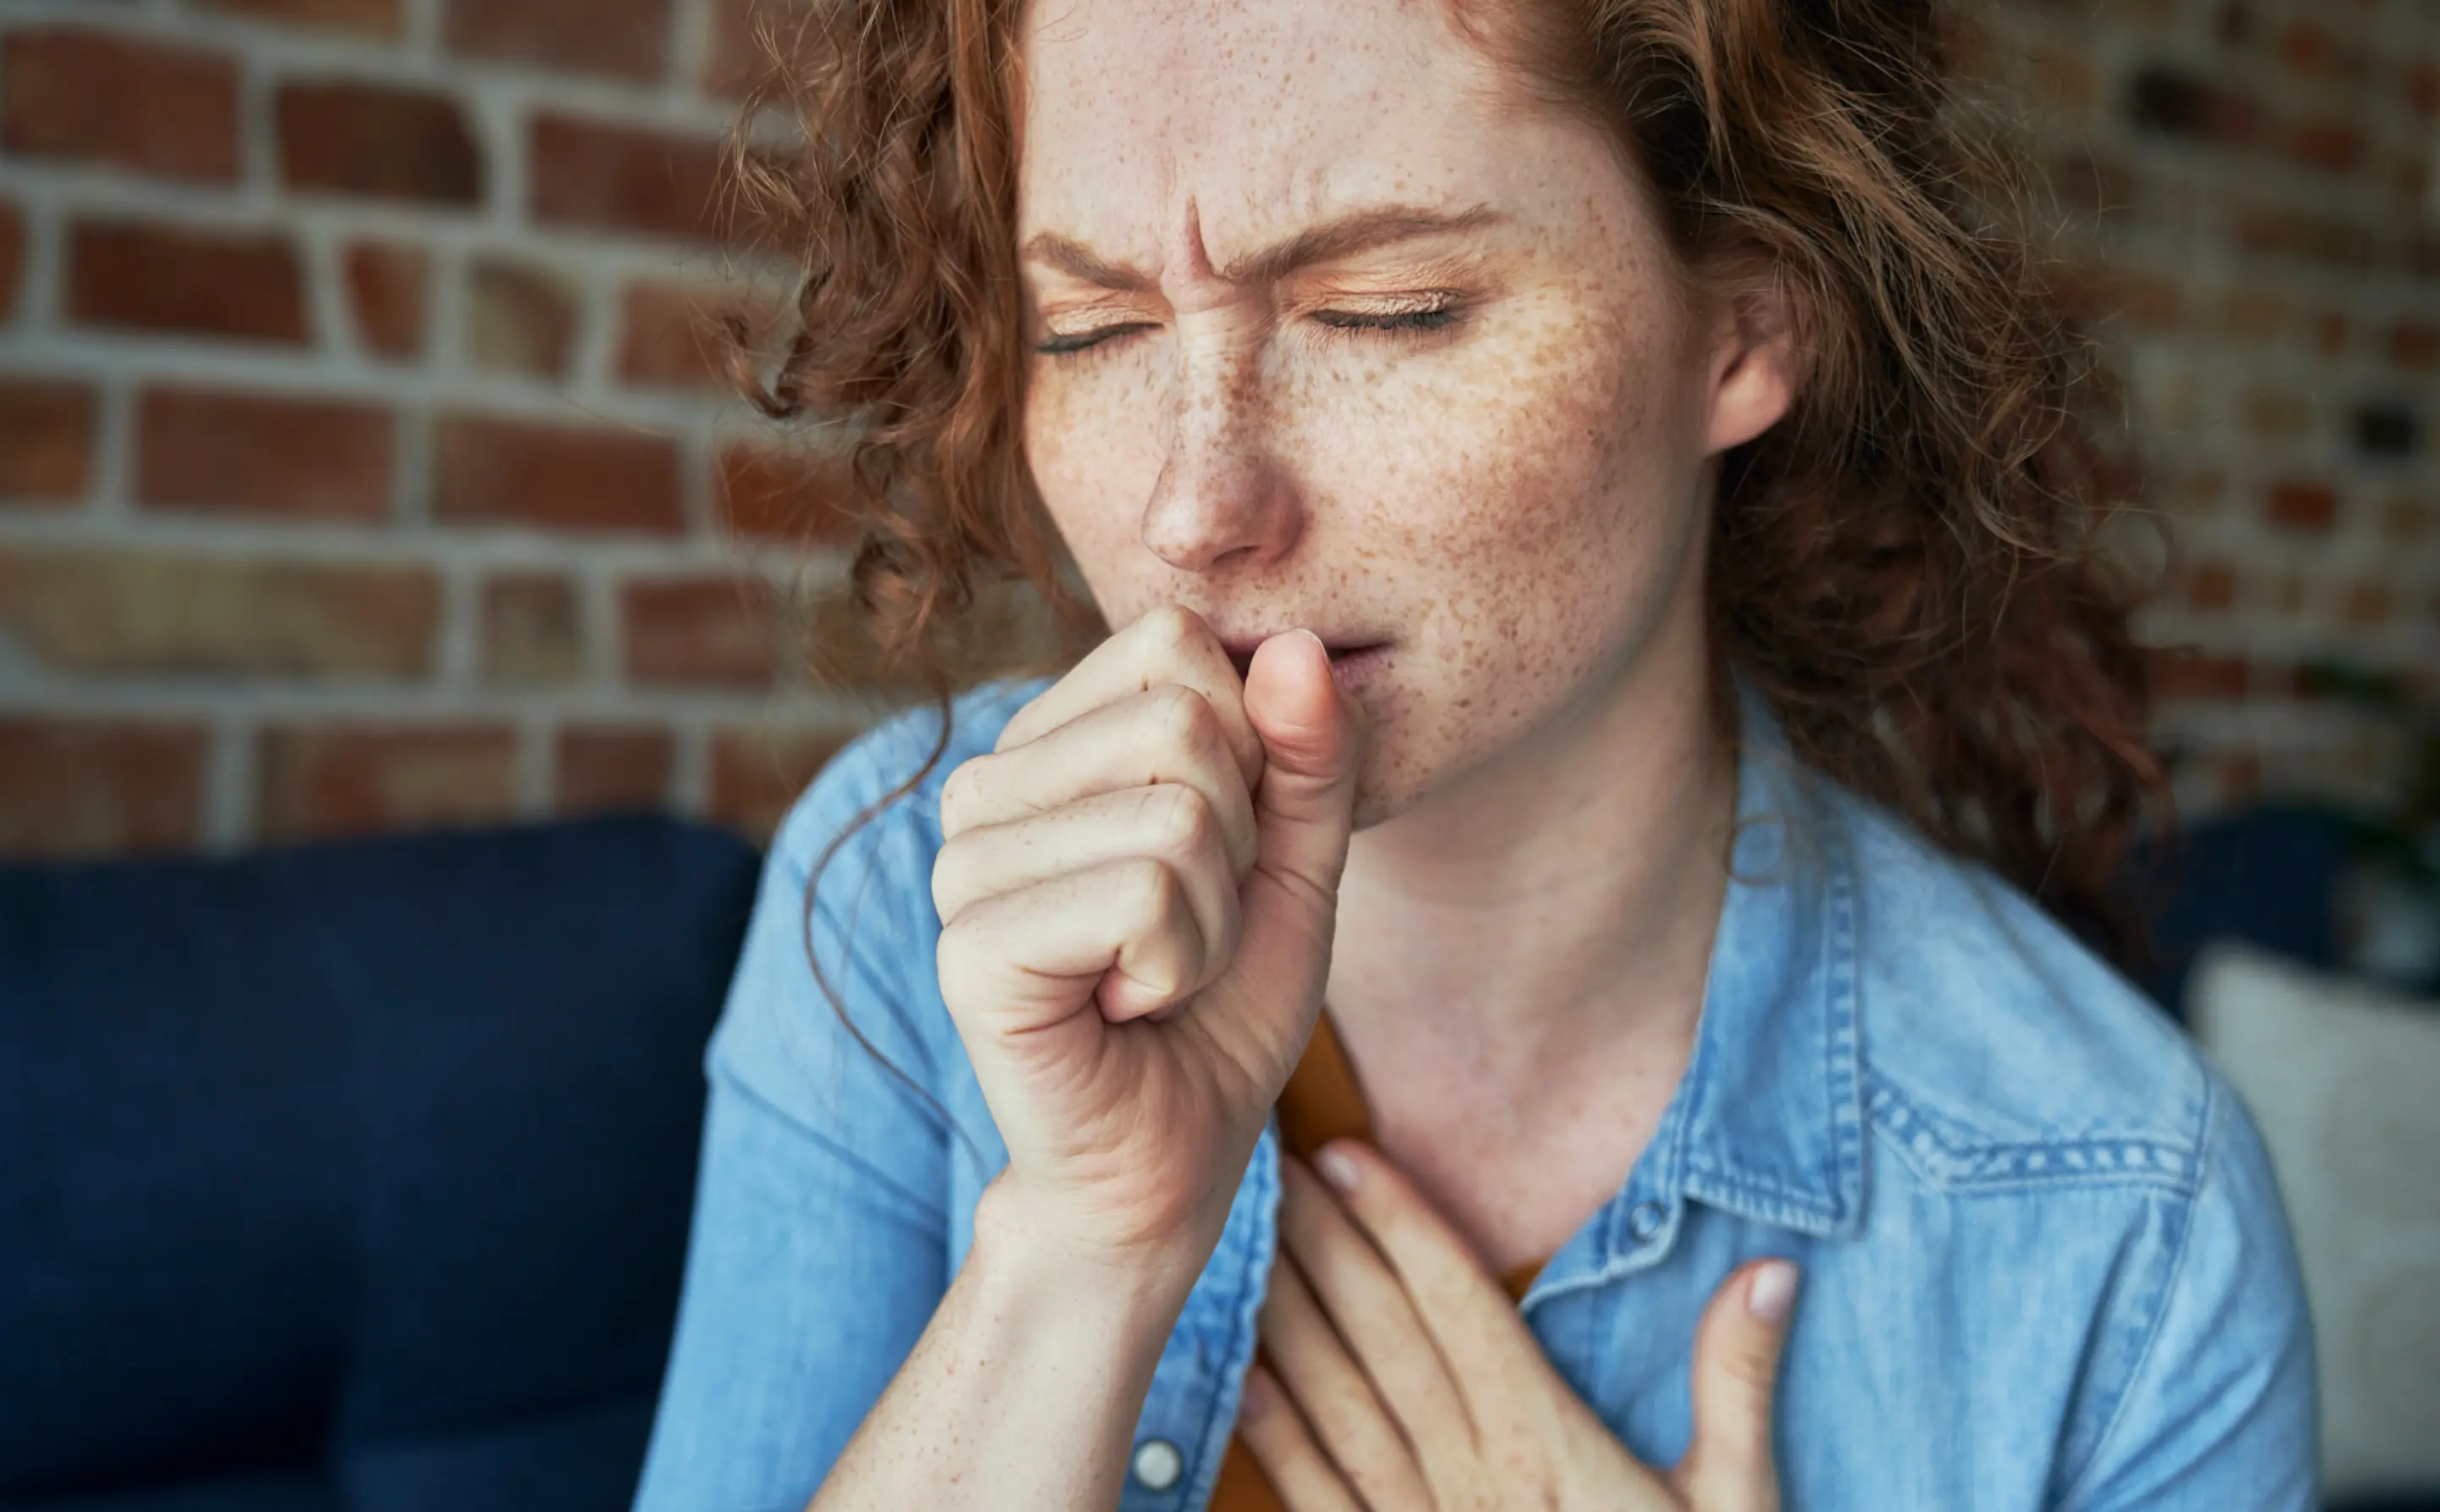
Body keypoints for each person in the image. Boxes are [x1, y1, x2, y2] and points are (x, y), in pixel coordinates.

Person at [632, 0, 2316, 1507]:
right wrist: (1071, 1260)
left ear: (1745, 328)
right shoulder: (898, 892)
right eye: (1088, 330)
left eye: (1390, 310)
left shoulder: (2125, 1219)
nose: (1192, 509)